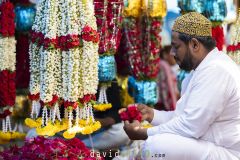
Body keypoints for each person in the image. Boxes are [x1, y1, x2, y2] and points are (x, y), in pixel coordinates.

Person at [121, 12, 240, 160]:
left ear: (194, 45)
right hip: (209, 144)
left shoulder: (216, 70)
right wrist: (152, 114)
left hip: (228, 153)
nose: (171, 53)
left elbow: (189, 127)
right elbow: (182, 117)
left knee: (156, 146)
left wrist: (143, 133)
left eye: (176, 47)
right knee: (156, 146)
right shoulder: (201, 70)